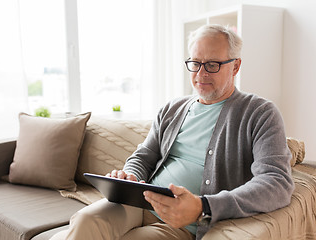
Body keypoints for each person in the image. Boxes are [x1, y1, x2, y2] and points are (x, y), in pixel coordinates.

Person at [50, 24, 294, 240]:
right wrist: (131, 176)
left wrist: (203, 206)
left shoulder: (260, 112)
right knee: (85, 220)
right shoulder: (172, 108)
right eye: (195, 64)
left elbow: (277, 182)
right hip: (139, 202)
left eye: (212, 64)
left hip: (182, 224)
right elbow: (144, 155)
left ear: (236, 66)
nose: (200, 74)